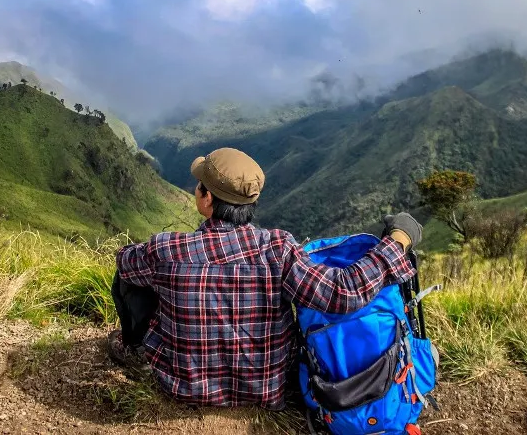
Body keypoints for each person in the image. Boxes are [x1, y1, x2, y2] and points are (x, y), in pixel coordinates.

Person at [109, 147, 422, 410]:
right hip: (267, 390)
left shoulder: (166, 249)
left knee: (132, 278)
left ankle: (133, 346)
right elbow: (344, 291)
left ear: (206, 199)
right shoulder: (279, 248)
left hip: (182, 387)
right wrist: (399, 239)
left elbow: (124, 264)